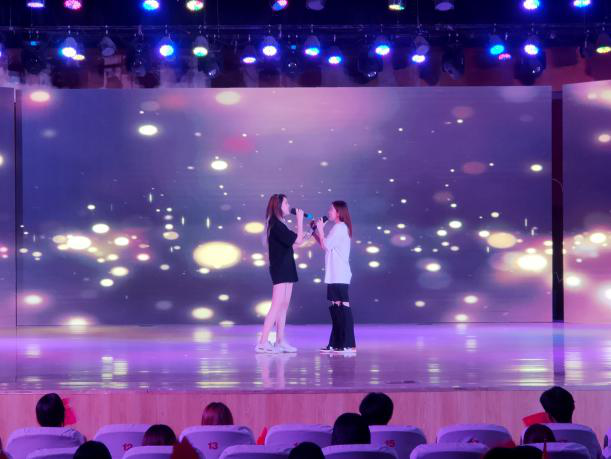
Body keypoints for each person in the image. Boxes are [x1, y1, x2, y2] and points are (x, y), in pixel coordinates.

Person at [256, 194, 305, 354]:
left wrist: (309, 232)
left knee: (283, 306)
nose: (288, 206)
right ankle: (262, 342)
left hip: (287, 267)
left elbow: (294, 244)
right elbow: (297, 241)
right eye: (286, 203)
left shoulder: (280, 224)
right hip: (280, 268)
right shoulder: (275, 224)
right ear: (278, 206)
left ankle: (280, 341)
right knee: (276, 305)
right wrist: (299, 220)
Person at [314, 201, 354, 353]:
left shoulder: (340, 228)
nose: (328, 212)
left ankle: (348, 344)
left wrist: (320, 229)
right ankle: (336, 343)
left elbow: (326, 245)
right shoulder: (337, 228)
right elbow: (325, 245)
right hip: (334, 274)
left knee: (343, 307)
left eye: (331, 209)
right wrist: (315, 232)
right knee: (336, 309)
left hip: (340, 274)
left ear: (339, 212)